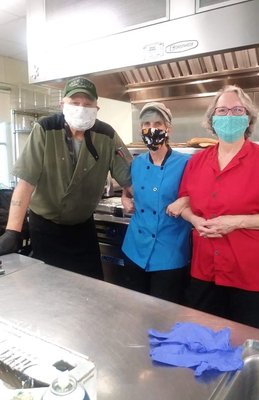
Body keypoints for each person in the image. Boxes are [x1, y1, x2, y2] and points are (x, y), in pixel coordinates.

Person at [176, 85, 259, 329]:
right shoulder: (198, 161)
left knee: (245, 347)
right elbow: (185, 201)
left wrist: (236, 221)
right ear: (212, 119)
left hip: (251, 276)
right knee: (204, 340)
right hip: (206, 271)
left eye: (237, 110)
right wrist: (193, 220)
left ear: (248, 118)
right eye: (222, 110)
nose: (229, 116)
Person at [0, 76, 132, 279]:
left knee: (91, 286)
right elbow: (26, 183)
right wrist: (12, 232)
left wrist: (127, 191)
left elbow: (131, 177)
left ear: (97, 108)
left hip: (82, 229)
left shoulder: (107, 135)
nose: (81, 108)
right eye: (75, 103)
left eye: (87, 104)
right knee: (51, 289)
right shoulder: (45, 129)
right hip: (45, 227)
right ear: (62, 104)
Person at [121, 102, 192, 304]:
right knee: (135, 311)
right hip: (135, 249)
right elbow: (128, 191)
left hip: (169, 254)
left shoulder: (186, 163)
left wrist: (185, 200)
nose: (152, 129)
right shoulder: (137, 163)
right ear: (141, 129)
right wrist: (124, 199)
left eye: (158, 124)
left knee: (164, 317)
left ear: (168, 128)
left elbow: (201, 195)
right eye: (147, 124)